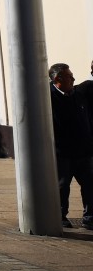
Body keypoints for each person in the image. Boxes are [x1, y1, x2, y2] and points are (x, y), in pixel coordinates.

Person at [48, 63, 93, 229]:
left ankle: (90, 218)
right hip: (62, 153)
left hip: (84, 150)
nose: (73, 79)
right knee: (62, 186)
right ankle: (60, 216)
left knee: (90, 184)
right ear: (57, 79)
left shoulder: (79, 93)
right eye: (69, 76)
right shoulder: (47, 97)